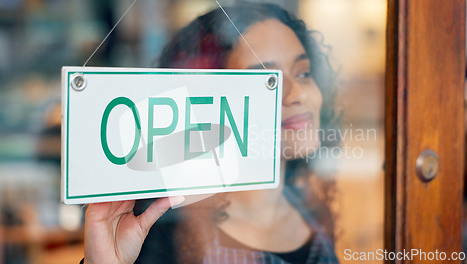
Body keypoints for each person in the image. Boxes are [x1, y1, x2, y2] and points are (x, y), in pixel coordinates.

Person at [83, 2, 340, 264]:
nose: (299, 94)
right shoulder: (165, 235)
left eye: (304, 72)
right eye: (265, 82)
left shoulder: (310, 210)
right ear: (211, 103)